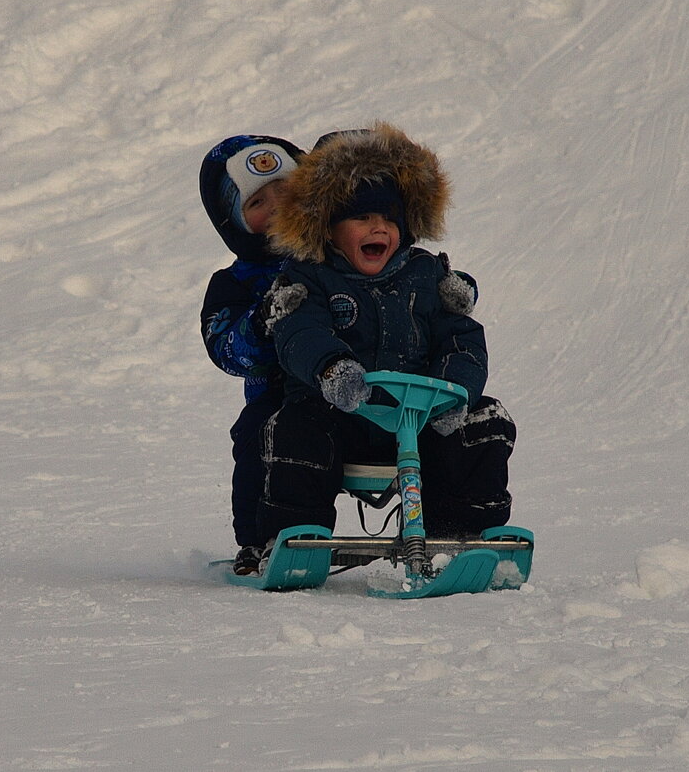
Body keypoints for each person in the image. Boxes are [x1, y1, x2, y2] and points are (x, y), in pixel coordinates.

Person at [257, 122, 515, 558]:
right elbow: (298, 331)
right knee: (294, 429)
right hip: (342, 414)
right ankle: (295, 537)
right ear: (327, 225)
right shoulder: (309, 277)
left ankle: (462, 534)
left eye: (390, 218)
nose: (379, 228)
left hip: (419, 420)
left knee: (485, 420)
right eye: (362, 217)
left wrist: (455, 393)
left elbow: (462, 339)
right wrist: (332, 368)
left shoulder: (427, 277)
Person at [198, 134, 306, 575]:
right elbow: (226, 349)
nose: (278, 206)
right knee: (256, 433)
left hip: (356, 386)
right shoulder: (234, 283)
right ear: (234, 222)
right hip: (280, 395)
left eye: (287, 190)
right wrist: (261, 321)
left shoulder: (337, 251)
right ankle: (262, 539)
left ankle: (451, 527)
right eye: (259, 202)